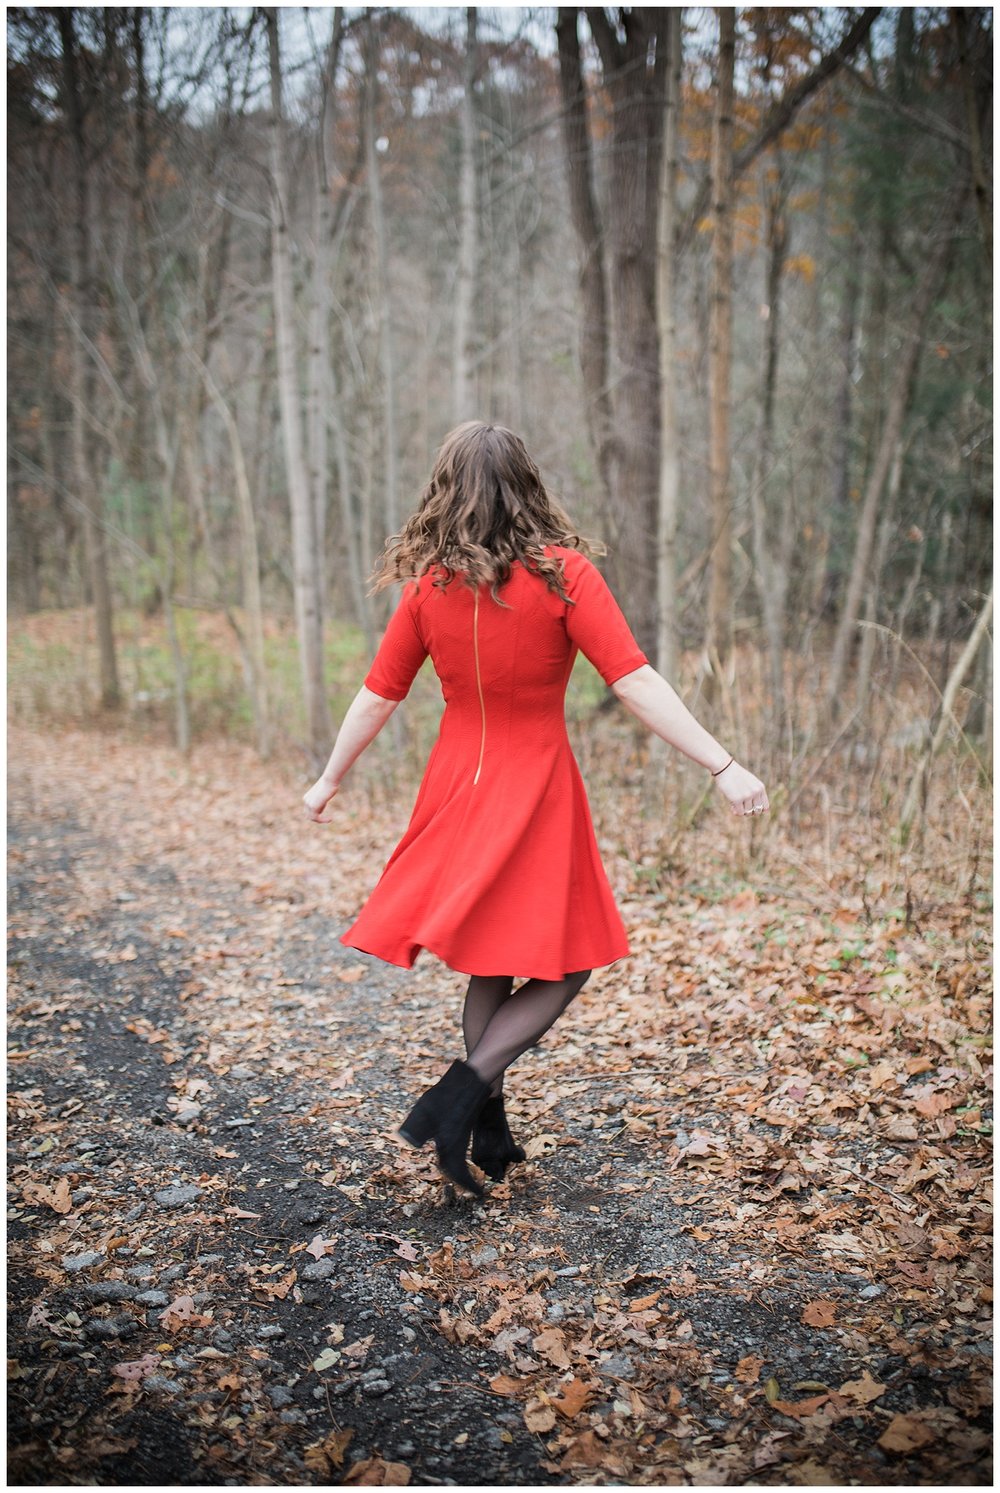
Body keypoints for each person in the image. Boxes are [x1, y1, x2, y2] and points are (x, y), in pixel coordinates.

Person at [303, 421, 768, 1198]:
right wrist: (720, 762)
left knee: (494, 954)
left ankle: (487, 1123)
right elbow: (634, 680)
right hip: (536, 783)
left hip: (458, 782)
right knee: (571, 956)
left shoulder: (429, 586)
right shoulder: (564, 576)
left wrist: (329, 778)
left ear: (443, 492)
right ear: (527, 485)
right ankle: (459, 1097)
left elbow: (378, 695)